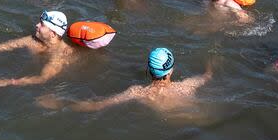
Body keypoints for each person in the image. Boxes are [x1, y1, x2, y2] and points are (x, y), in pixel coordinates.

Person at [38, 48, 212, 113]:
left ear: (149, 70)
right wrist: (211, 63)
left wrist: (60, 103)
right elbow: (206, 76)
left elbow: (97, 105)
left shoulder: (138, 92)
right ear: (171, 70)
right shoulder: (187, 86)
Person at [0, 11, 77, 86]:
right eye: (39, 22)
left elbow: (42, 79)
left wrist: (8, 82)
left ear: (53, 33)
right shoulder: (30, 41)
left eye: (42, 25)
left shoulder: (61, 54)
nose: (37, 25)